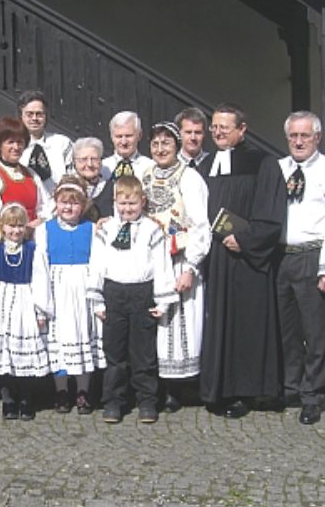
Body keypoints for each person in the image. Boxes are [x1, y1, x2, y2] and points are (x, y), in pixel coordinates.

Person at [198, 103, 286, 418]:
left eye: (225, 126)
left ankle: (246, 391)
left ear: (242, 130)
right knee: (217, 322)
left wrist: (246, 240)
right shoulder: (204, 165)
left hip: (246, 258)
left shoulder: (263, 163)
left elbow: (272, 212)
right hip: (215, 257)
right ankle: (218, 388)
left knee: (246, 324)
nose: (218, 132)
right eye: (215, 127)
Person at [276, 111, 325, 425]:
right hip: (282, 257)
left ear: (317, 137)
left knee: (317, 332)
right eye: (293, 136)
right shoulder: (278, 169)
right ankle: (291, 386)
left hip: (314, 257)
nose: (298, 141)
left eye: (304, 136)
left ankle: (314, 394)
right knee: (287, 330)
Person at [88, 176, 177, 424]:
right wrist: (97, 299)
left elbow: (161, 265)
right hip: (114, 292)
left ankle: (147, 400)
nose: (127, 209)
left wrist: (163, 301)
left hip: (142, 293)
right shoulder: (105, 229)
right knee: (114, 352)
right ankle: (113, 401)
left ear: (142, 202)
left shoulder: (151, 229)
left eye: (133, 204)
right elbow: (97, 264)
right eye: (123, 204)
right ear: (115, 201)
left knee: (143, 351)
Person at [142, 121, 210, 412]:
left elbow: (200, 225)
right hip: (153, 259)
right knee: (158, 321)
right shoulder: (144, 175)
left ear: (177, 145)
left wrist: (190, 267)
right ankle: (159, 385)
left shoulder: (189, 177)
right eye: (156, 144)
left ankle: (181, 388)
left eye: (166, 143)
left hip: (180, 257)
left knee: (182, 323)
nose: (160, 149)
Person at [0, 203, 52, 421]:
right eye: (11, 226)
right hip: (0, 302)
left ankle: (26, 398)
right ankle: (8, 397)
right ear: (3, 226)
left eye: (20, 225)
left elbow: (40, 280)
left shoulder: (32, 250)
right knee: (4, 351)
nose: (16, 230)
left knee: (23, 349)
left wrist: (40, 312)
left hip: (25, 303)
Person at [35, 175, 104, 415]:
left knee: (83, 335)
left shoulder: (92, 229)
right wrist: (42, 305)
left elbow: (97, 264)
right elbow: (40, 267)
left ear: (83, 206)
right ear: (56, 203)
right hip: (57, 291)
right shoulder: (45, 230)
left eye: (74, 203)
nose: (68, 207)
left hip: (83, 292)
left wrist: (96, 298)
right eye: (64, 202)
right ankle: (62, 390)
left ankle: (83, 390)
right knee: (60, 342)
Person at [0, 116, 50, 226]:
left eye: (20, 142)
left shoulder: (31, 174)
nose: (16, 147)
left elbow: (45, 206)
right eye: (10, 142)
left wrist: (39, 222)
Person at [17, 90, 73, 194]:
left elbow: (73, 177)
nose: (34, 118)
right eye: (29, 114)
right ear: (21, 116)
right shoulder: (14, 146)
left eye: (39, 114)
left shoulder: (62, 143)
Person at [101, 111, 153, 181]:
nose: (124, 142)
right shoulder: (102, 168)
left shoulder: (150, 167)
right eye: (119, 136)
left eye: (128, 136)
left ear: (140, 135)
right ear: (111, 137)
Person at [72, 137, 114, 222]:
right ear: (74, 162)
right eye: (83, 159)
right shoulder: (67, 187)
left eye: (94, 159)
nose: (89, 164)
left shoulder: (112, 188)